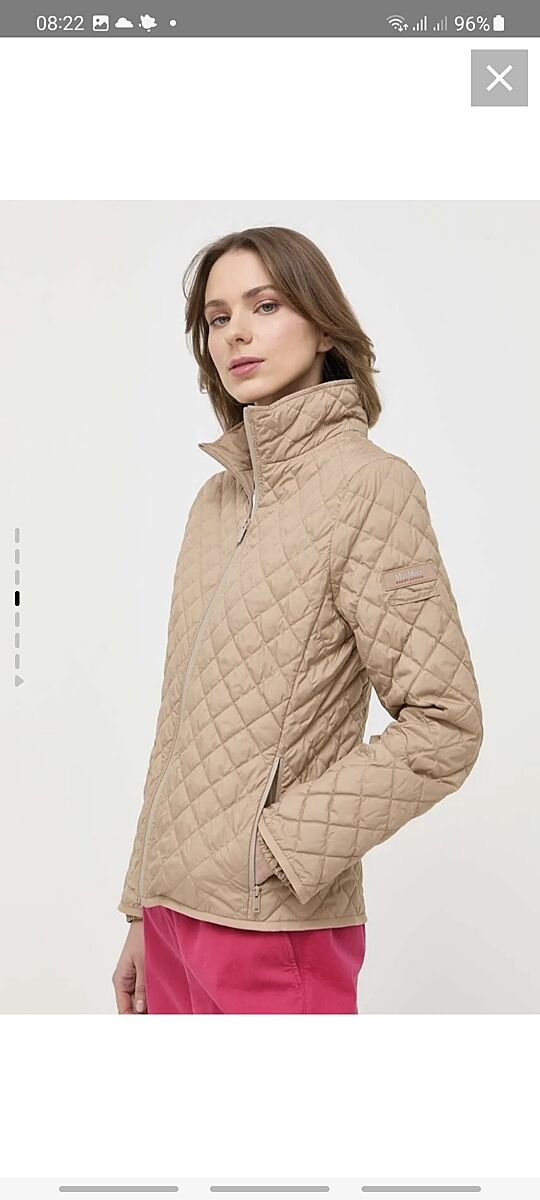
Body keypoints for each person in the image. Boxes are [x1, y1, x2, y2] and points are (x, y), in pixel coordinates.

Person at [112, 225, 484, 1015]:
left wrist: (278, 849)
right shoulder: (215, 503)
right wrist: (142, 906)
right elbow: (179, 721)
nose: (236, 333)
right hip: (175, 920)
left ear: (323, 326)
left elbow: (445, 724)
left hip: (275, 927)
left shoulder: (371, 487)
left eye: (266, 305)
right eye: (217, 318)